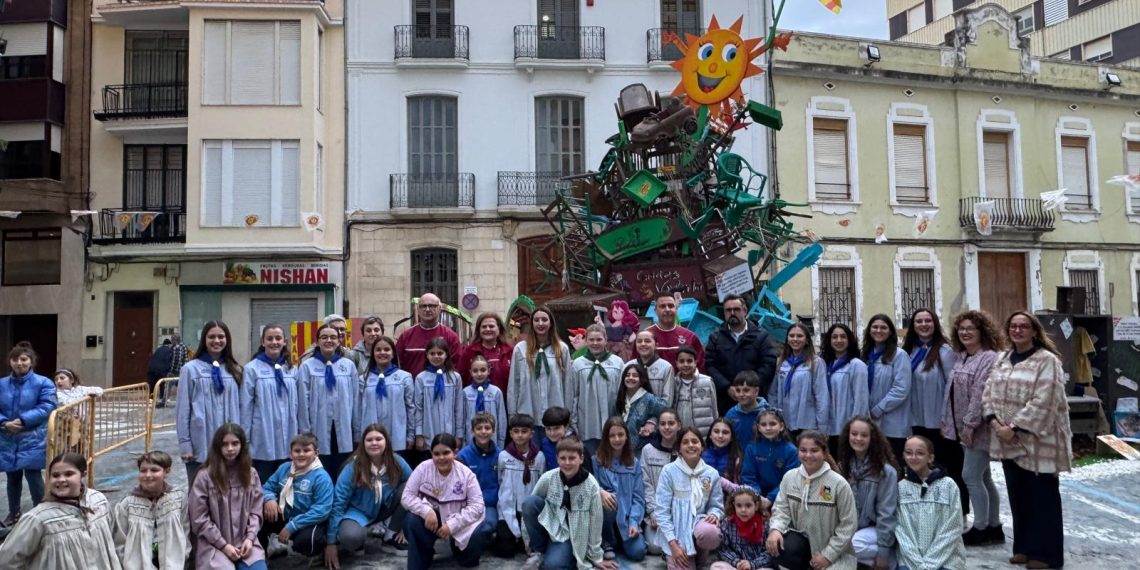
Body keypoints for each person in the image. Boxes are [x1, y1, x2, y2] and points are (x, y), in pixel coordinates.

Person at [982, 311, 1071, 570]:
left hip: (1038, 441)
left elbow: (1045, 400)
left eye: (1023, 326)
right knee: (1018, 496)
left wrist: (1015, 426)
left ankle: (1045, 554)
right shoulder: (1002, 358)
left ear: (1034, 331)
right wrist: (996, 423)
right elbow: (988, 392)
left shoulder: (1048, 361)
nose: (1017, 330)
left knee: (1041, 498)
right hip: (1006, 440)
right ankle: (1023, 547)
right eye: (1013, 326)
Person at [941, 310, 1005, 547]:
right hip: (961, 427)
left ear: (982, 332)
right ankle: (994, 526)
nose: (965, 332)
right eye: (962, 329)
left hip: (978, 428)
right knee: (984, 477)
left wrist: (969, 424)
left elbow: (980, 393)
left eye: (971, 329)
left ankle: (980, 528)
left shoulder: (989, 358)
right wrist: (948, 421)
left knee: (970, 476)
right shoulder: (961, 357)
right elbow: (952, 393)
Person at [0, 452, 119, 569]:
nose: (61, 479)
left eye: (68, 474)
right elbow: (7, 560)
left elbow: (114, 539)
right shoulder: (38, 519)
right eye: (55, 475)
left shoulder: (98, 501)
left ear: (83, 475)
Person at [902, 308, 966, 516]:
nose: (923, 325)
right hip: (918, 421)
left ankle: (958, 513)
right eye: (918, 321)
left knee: (949, 469)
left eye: (927, 321)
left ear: (935, 323)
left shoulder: (945, 351)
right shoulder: (910, 351)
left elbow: (953, 386)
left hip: (941, 423)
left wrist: (950, 419)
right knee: (922, 469)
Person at [766, 431, 858, 570]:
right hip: (799, 548)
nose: (808, 455)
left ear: (825, 452)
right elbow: (780, 509)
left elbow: (848, 525)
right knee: (781, 547)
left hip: (834, 553)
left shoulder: (838, 484)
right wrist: (776, 529)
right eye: (803, 450)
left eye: (814, 450)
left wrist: (828, 555)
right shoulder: (790, 477)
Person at [521, 437, 617, 570]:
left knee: (553, 566)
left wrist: (596, 557)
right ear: (557, 458)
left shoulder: (591, 485)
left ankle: (569, 554)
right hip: (553, 528)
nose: (567, 463)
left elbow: (595, 522)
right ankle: (540, 551)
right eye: (563, 458)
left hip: (575, 534)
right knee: (529, 503)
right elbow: (530, 508)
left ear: (581, 459)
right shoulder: (548, 478)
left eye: (572, 458)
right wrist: (527, 540)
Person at [325, 424, 412, 568]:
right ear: (363, 443)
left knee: (409, 487)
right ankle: (357, 540)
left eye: (379, 439)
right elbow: (338, 503)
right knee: (350, 538)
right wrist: (331, 542)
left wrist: (404, 525)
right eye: (369, 440)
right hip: (357, 512)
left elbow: (415, 482)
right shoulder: (353, 466)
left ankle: (390, 535)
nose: (374, 443)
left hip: (385, 508)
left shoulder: (396, 461)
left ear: (386, 441)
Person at [402, 433, 487, 570]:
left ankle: (457, 548)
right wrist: (426, 511)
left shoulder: (466, 474)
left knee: (469, 559)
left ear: (455, 452)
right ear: (431, 453)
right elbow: (406, 496)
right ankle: (425, 550)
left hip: (459, 518)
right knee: (411, 520)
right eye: (436, 454)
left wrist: (452, 525)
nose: (441, 458)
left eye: (446, 453)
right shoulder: (423, 468)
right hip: (432, 519)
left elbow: (478, 506)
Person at [188, 423, 266, 570]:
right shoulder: (205, 477)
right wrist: (223, 545)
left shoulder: (251, 474)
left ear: (242, 445)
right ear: (218, 447)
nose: (230, 449)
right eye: (225, 444)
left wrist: (250, 538)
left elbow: (256, 511)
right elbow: (199, 519)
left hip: (246, 543)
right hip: (213, 545)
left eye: (235, 443)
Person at [177, 321, 243, 486]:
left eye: (221, 336)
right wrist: (185, 444)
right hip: (201, 441)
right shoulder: (190, 369)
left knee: (228, 491)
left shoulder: (235, 369)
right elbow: (183, 410)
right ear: (204, 340)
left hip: (229, 444)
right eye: (211, 336)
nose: (217, 341)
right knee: (199, 492)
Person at [0, 343, 56, 527]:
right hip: (7, 437)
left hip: (33, 436)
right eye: (15, 359)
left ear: (31, 362)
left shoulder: (44, 383)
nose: (19, 363)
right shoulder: (1, 384)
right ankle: (14, 512)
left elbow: (48, 406)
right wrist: (4, 422)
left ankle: (40, 513)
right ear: (10, 362)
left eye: (24, 359)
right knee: (12, 476)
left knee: (33, 476)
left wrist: (23, 421)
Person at [656, 427, 724, 570]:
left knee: (711, 533)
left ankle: (700, 554)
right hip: (677, 531)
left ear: (702, 447)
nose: (691, 445)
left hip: (698, 524)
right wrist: (673, 545)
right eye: (685, 442)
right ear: (679, 448)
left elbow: (716, 504)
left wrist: (714, 514)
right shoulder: (669, 471)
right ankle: (670, 554)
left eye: (695, 441)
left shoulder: (712, 474)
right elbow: (662, 511)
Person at [241, 324, 301, 485]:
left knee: (286, 485)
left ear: (285, 341)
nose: (274, 342)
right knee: (264, 484)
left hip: (288, 436)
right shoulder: (252, 369)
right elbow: (245, 406)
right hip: (262, 438)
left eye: (278, 338)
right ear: (262, 342)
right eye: (270, 338)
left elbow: (298, 405)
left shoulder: (292, 369)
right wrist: (244, 439)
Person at [837, 416, 898, 570]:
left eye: (864, 435)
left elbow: (886, 512)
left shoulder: (885, 472)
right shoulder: (843, 466)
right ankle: (870, 562)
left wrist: (883, 552)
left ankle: (890, 557)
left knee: (851, 546)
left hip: (874, 529)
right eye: (854, 434)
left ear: (872, 439)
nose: (858, 439)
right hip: (850, 527)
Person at [895, 436, 966, 570]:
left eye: (920, 453)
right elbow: (901, 530)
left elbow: (954, 527)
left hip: (947, 559)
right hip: (911, 561)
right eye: (909, 453)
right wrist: (919, 564)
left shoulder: (948, 485)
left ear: (930, 458)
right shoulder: (900, 488)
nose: (914, 457)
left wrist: (930, 564)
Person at [259, 433, 334, 559]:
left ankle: (316, 553)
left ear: (316, 453)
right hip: (285, 513)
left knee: (308, 542)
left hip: (307, 520)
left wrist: (293, 526)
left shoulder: (321, 477)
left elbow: (322, 510)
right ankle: (262, 555)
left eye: (306, 450)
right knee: (257, 513)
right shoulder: (284, 468)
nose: (301, 454)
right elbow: (266, 488)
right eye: (297, 451)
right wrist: (269, 499)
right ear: (291, 454)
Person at [112, 451, 190, 570]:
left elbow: (186, 532)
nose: (148, 475)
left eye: (154, 470)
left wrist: (183, 557)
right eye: (143, 471)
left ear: (167, 471)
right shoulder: (127, 505)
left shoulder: (178, 499)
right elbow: (119, 542)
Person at [299, 323, 358, 477]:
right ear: (317, 341)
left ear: (339, 341)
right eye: (324, 337)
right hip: (318, 425)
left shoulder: (349, 366)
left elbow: (355, 398)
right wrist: (306, 430)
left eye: (333, 337)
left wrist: (356, 427)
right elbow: (303, 400)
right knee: (321, 468)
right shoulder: (307, 367)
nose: (329, 340)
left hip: (344, 427)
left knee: (343, 469)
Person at [705, 294, 778, 415]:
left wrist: (749, 388)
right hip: (726, 401)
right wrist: (727, 388)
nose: (732, 313)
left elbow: (769, 364)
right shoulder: (715, 338)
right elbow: (710, 365)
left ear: (745, 310)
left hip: (755, 402)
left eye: (736, 309)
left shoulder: (761, 336)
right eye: (728, 310)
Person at [509, 307, 571, 440]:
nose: (540, 323)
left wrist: (567, 415)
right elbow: (514, 383)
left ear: (551, 323)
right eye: (536, 320)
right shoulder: (520, 349)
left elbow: (568, 384)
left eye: (544, 320)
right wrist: (513, 414)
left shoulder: (561, 349)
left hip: (555, 416)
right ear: (532, 323)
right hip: (528, 414)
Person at [594, 417, 648, 562]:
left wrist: (634, 523)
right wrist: (599, 491)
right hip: (607, 517)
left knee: (638, 553)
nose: (617, 439)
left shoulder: (634, 463)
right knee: (607, 502)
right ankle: (607, 541)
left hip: (627, 518)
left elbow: (638, 498)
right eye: (612, 435)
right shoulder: (597, 461)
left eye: (620, 435)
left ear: (626, 437)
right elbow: (590, 485)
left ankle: (622, 539)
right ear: (606, 437)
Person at [567, 324, 625, 457]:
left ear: (605, 340)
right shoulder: (578, 364)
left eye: (599, 339)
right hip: (587, 422)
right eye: (591, 339)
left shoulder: (617, 363)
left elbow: (623, 394)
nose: (595, 343)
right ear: (586, 340)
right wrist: (574, 421)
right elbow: (573, 395)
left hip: (612, 420)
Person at [862, 314, 913, 462]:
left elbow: (901, 388)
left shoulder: (899, 355)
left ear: (891, 332)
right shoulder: (866, 355)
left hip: (892, 424)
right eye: (875, 327)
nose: (879, 330)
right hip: (870, 421)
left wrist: (879, 409)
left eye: (883, 327)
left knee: (891, 467)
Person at [354, 336, 415, 456]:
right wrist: (357, 436)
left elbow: (411, 408)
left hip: (398, 435)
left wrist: (411, 435)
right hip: (371, 437)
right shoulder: (363, 379)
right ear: (373, 354)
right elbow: (358, 409)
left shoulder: (404, 377)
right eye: (378, 350)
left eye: (386, 349)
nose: (382, 353)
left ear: (393, 354)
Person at [496, 413, 545, 558]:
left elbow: (541, 480)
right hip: (508, 505)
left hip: (528, 507)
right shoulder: (504, 456)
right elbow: (500, 479)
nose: (520, 436)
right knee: (505, 550)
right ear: (510, 434)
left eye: (524, 432)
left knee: (529, 546)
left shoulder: (539, 457)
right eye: (516, 432)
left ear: (531, 434)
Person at [456, 412, 503, 556]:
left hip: (490, 505)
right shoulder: (463, 456)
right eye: (479, 428)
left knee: (487, 525)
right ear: (472, 431)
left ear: (493, 431)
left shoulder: (501, 455)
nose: (483, 432)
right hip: (469, 505)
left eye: (487, 428)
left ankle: (483, 540)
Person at [769, 323, 828, 437]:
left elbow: (821, 396)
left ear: (806, 340)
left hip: (808, 422)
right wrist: (774, 416)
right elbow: (773, 393)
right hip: (785, 421)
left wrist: (822, 426)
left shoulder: (815, 362)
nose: (795, 339)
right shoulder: (781, 363)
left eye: (799, 336)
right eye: (791, 336)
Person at [821, 324, 869, 456]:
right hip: (830, 427)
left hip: (847, 426)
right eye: (834, 337)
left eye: (843, 337)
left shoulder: (856, 365)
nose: (839, 340)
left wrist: (855, 427)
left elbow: (861, 399)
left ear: (850, 340)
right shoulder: (826, 365)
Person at [413, 337, 466, 451]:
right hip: (428, 432)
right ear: (427, 355)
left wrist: (459, 434)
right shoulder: (421, 378)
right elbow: (418, 408)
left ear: (446, 355)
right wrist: (419, 434)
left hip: (450, 432)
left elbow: (459, 407)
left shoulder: (455, 378)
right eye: (432, 353)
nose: (436, 356)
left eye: (440, 353)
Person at [741, 409, 798, 508]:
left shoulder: (791, 451)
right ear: (758, 427)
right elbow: (748, 476)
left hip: (783, 496)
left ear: (781, 426)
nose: (768, 428)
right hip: (757, 498)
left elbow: (790, 480)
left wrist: (770, 498)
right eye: (763, 425)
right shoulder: (751, 448)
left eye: (772, 424)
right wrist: (757, 496)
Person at [398, 293, 462, 377]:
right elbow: (398, 364)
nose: (427, 309)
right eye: (423, 306)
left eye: (432, 306)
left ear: (439, 309)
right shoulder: (405, 336)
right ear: (418, 309)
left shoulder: (451, 336)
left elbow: (457, 366)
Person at [714, 487, 774, 570]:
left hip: (758, 566)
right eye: (739, 505)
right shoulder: (727, 523)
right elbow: (724, 549)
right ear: (734, 505)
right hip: (736, 566)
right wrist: (737, 562)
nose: (743, 510)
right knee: (716, 567)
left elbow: (769, 552)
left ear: (756, 505)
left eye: (748, 505)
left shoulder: (765, 524)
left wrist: (752, 564)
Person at [615, 362, 668, 451]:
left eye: (635, 375)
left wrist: (652, 421)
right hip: (622, 446)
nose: (630, 378)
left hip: (642, 447)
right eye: (627, 375)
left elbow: (666, 411)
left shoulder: (649, 398)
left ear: (641, 379)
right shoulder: (621, 397)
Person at [648, 291, 705, 371]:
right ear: (655, 311)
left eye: (671, 306)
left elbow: (701, 366)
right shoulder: (645, 337)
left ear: (676, 309)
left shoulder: (690, 336)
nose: (667, 309)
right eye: (662, 306)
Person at [459, 312, 515, 394]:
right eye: (484, 327)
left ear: (499, 328)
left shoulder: (510, 351)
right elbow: (461, 379)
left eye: (491, 326)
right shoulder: (469, 352)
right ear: (479, 330)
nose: (488, 329)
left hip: (505, 402)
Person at [463, 354, 508, 448]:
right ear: (470, 372)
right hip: (470, 440)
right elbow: (462, 418)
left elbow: (502, 419)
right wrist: (463, 442)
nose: (479, 374)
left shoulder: (496, 392)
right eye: (475, 371)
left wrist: (500, 442)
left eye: (483, 370)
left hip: (492, 440)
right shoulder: (465, 393)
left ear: (489, 371)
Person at [673, 346, 718, 437]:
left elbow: (714, 409)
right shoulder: (673, 383)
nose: (685, 364)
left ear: (695, 362)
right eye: (681, 361)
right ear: (676, 363)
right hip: (680, 434)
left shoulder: (707, 381)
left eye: (689, 361)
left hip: (703, 434)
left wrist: (715, 430)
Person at [628, 330, 676, 406]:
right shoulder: (628, 366)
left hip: (657, 415)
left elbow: (667, 400)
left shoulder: (666, 367)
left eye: (647, 341)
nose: (643, 344)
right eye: (639, 341)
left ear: (656, 345)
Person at [724, 371, 770, 449]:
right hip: (736, 458)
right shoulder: (731, 414)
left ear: (756, 391)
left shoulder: (766, 414)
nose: (741, 394)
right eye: (738, 390)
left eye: (746, 390)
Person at [703, 418, 743, 494]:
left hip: (727, 501)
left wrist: (721, 482)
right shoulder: (700, 455)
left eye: (725, 432)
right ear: (710, 435)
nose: (720, 436)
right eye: (716, 431)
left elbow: (740, 491)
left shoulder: (736, 458)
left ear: (731, 437)